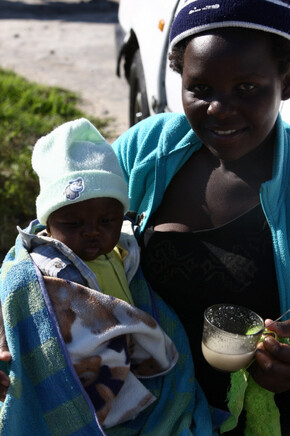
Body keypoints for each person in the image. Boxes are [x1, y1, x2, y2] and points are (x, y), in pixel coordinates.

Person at [112, 0, 290, 434]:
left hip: (241, 419)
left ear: (285, 82)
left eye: (246, 87)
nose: (219, 108)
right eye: (201, 88)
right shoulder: (145, 150)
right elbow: (56, 237)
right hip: (131, 407)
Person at [0, 118, 214, 435]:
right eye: (73, 224)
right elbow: (12, 305)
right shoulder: (39, 266)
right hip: (71, 378)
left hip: (125, 379)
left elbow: (141, 302)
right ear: (48, 224)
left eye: (106, 220)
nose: (92, 232)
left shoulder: (124, 253)